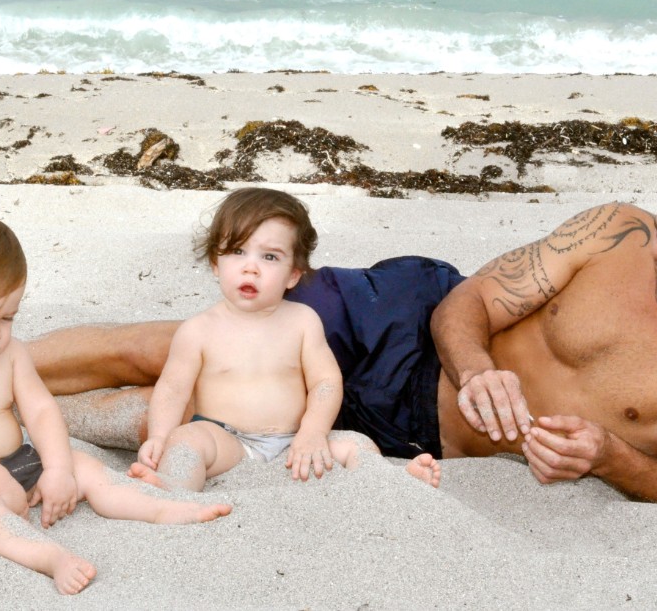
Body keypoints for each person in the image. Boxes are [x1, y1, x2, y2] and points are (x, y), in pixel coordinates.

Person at [0, 140, 657, 503]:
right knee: (174, 344)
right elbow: (471, 301)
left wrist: (610, 461)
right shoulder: (609, 232)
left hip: (407, 432)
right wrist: (477, 362)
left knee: (174, 411)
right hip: (403, 319)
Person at [0, 213, 230, 596]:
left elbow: (40, 410)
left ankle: (160, 506)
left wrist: (56, 469)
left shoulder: (11, 352)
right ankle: (51, 558)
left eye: (7, 317)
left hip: (17, 460)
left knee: (84, 466)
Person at [126, 188, 441, 491]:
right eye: (237, 251)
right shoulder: (197, 330)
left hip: (296, 442)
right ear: (215, 263)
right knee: (186, 442)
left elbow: (326, 382)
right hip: (227, 441)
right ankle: (173, 487)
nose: (251, 268)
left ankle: (391, 484)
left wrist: (314, 433)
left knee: (357, 444)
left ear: (293, 274)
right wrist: (159, 436)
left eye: (270, 257)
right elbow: (172, 390)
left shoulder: (302, 321)